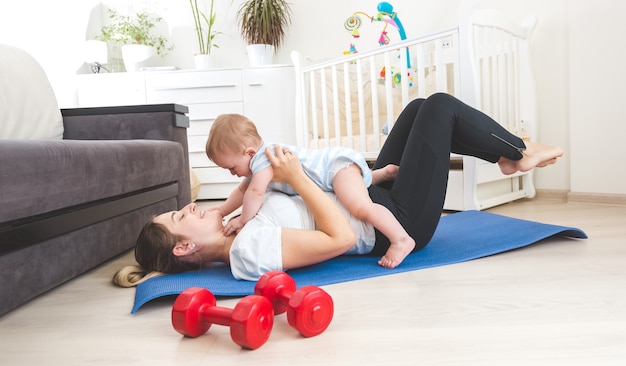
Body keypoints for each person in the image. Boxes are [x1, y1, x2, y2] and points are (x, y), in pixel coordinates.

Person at [112, 93, 563, 287]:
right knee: (440, 108)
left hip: (371, 200)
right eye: (178, 216)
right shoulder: (246, 253)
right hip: (393, 224)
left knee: (419, 109)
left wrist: (290, 179)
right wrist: (297, 178)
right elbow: (341, 239)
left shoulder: (236, 225)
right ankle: (517, 154)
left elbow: (252, 191)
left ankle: (507, 156)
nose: (188, 206)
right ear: (185, 246)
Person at [204, 113, 415, 268]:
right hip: (334, 175)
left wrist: (242, 221)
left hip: (334, 169)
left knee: (361, 207)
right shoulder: (254, 165)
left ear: (248, 152)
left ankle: (400, 239)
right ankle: (381, 174)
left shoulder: (262, 160)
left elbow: (254, 193)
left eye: (231, 168)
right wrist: (222, 210)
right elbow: (242, 191)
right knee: (353, 188)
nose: (232, 174)